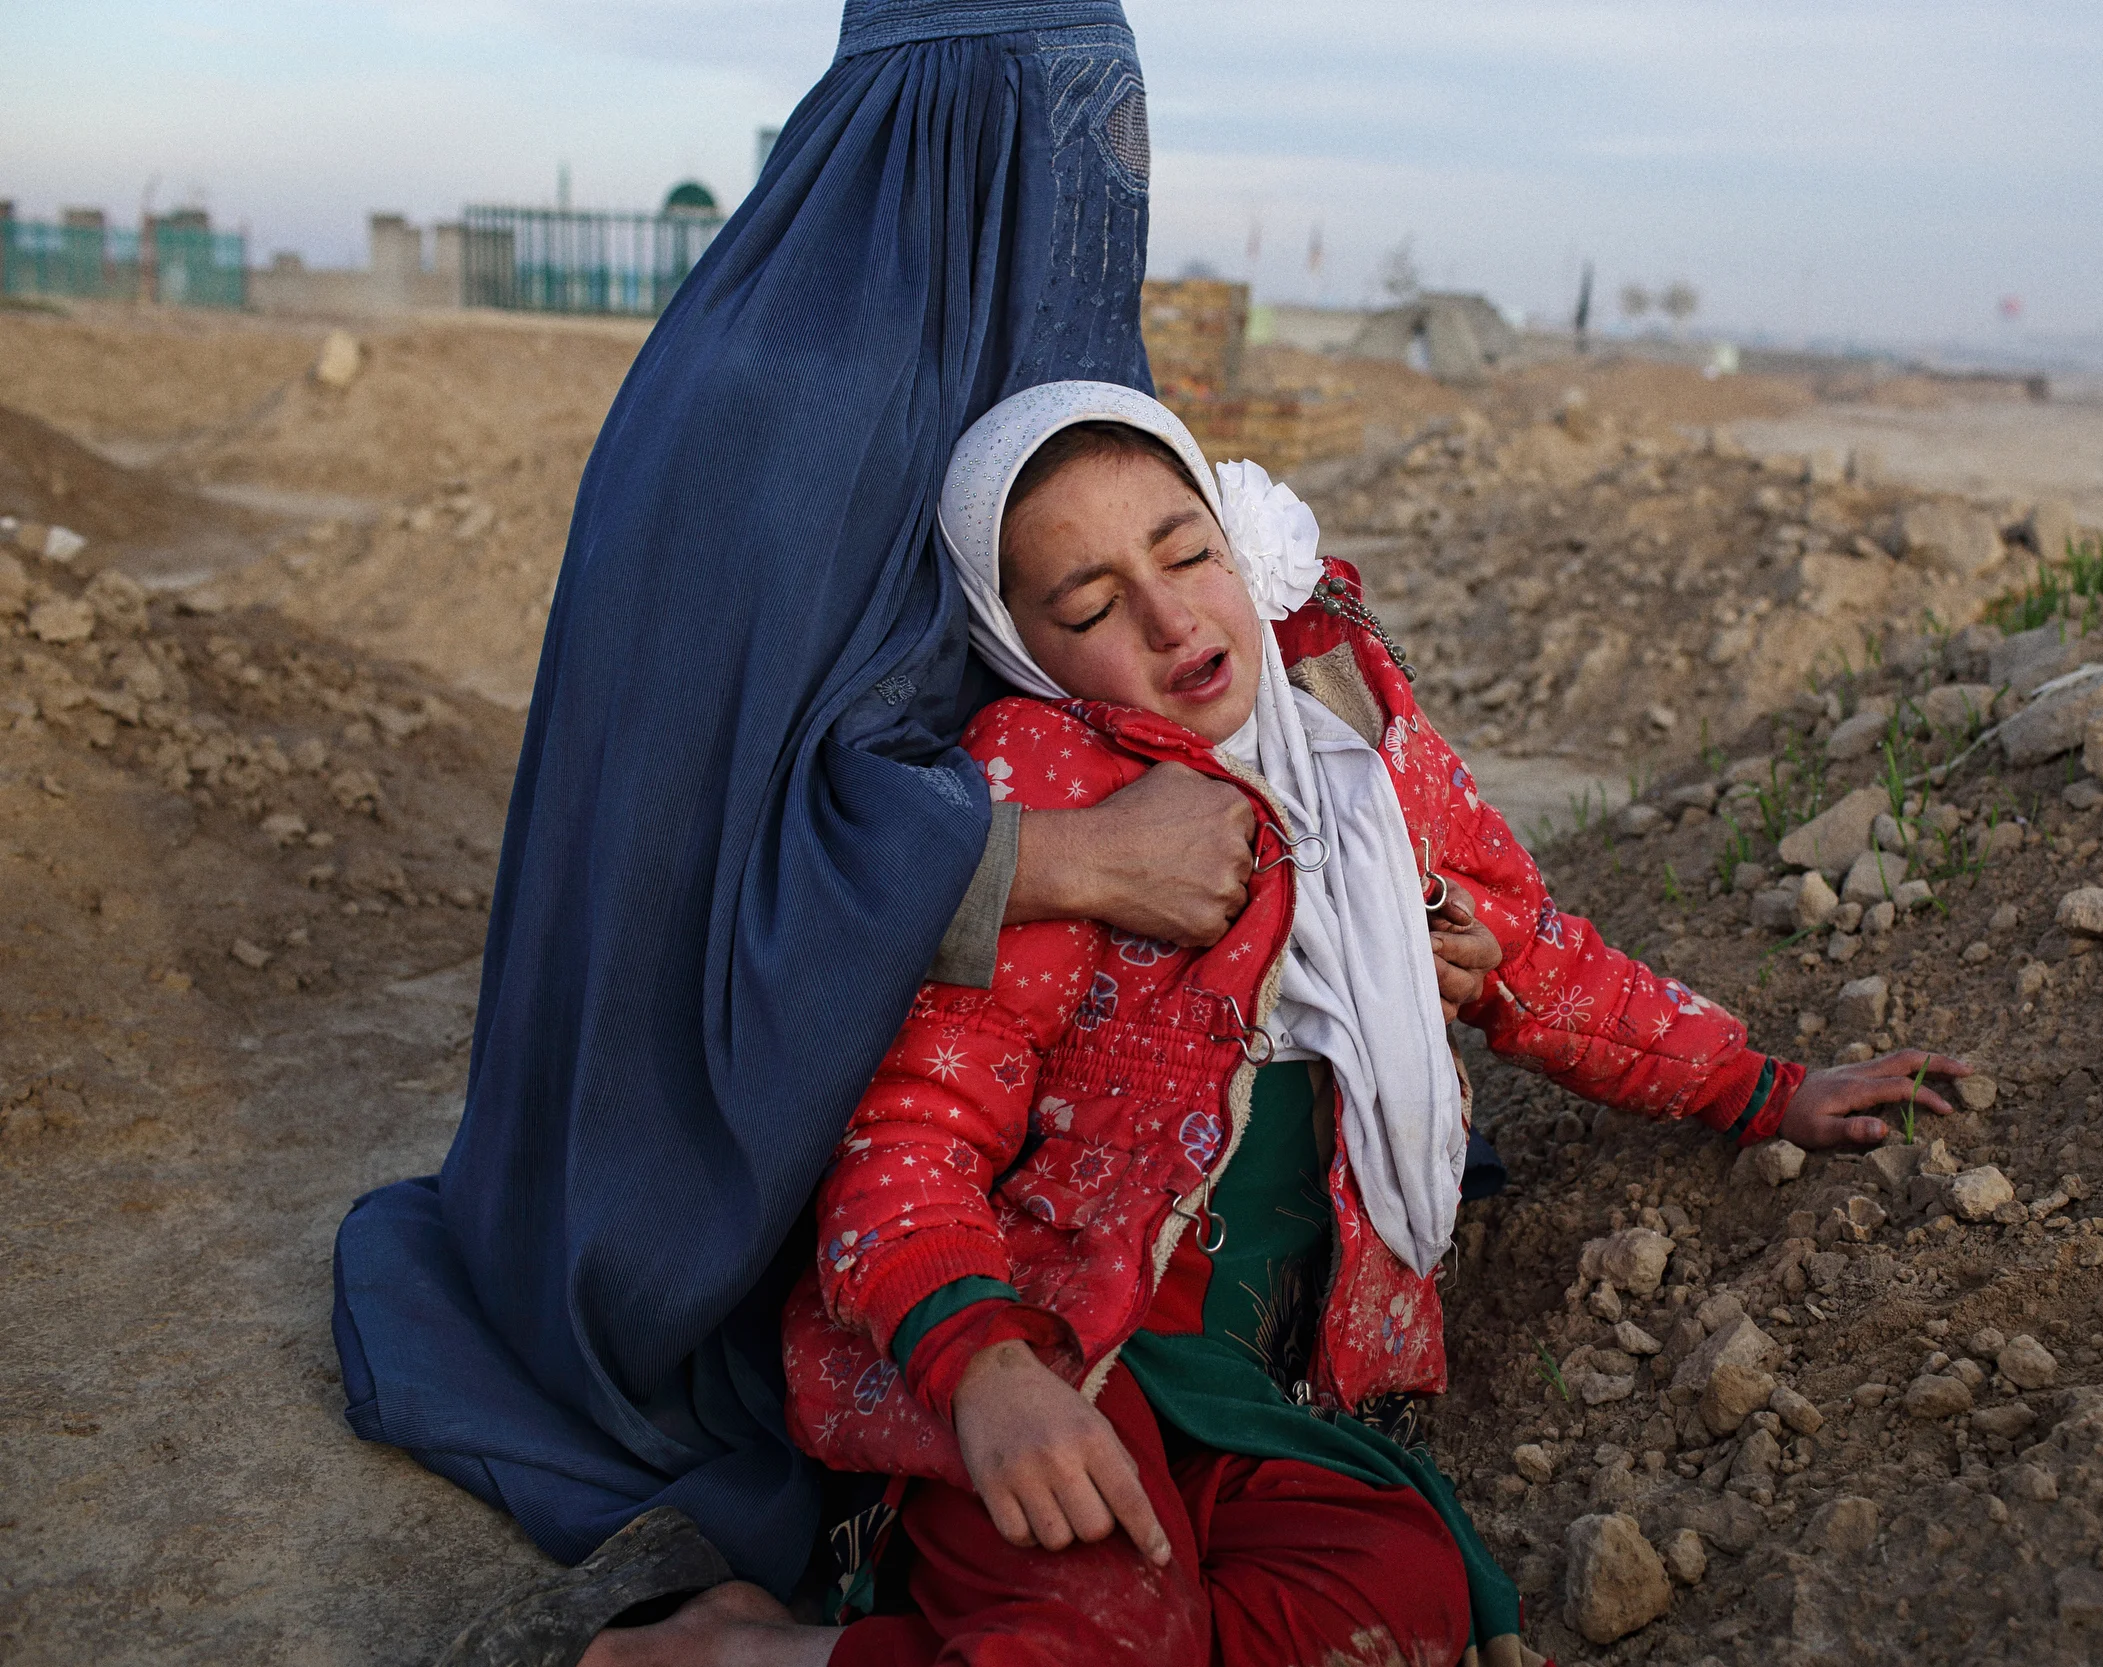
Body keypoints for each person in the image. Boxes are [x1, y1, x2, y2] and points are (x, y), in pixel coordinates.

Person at [587, 382, 1963, 1667]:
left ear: (1237, 537)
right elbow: (902, 1146)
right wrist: (986, 1371)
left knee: (1403, 1596)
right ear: (1018, 645)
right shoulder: (1050, 803)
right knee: (1106, 1620)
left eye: (1186, 551)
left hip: (1275, 1389)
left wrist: (1764, 1089)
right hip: (1065, 1353)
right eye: (1091, 602)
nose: (1172, 617)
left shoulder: (1355, 745)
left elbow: (1537, 953)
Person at [328, 0, 1263, 1629]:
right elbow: (694, 853)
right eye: (1077, 138)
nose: (1107, 184)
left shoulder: (1016, 378)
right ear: (953, 141)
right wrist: (1067, 858)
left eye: (1132, 138)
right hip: (682, 1144)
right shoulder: (785, 401)